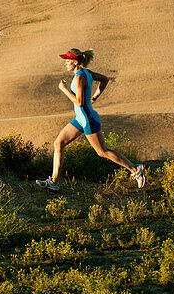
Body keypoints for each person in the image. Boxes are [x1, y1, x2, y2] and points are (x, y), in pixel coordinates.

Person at [36, 48, 145, 191]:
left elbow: (79, 102)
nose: (65, 64)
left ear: (75, 62)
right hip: (80, 119)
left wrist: (64, 90)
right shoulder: (87, 73)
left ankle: (136, 170)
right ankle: (54, 182)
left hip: (88, 119)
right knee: (58, 144)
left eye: (67, 61)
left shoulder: (80, 77)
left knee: (102, 152)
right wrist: (94, 97)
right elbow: (104, 79)